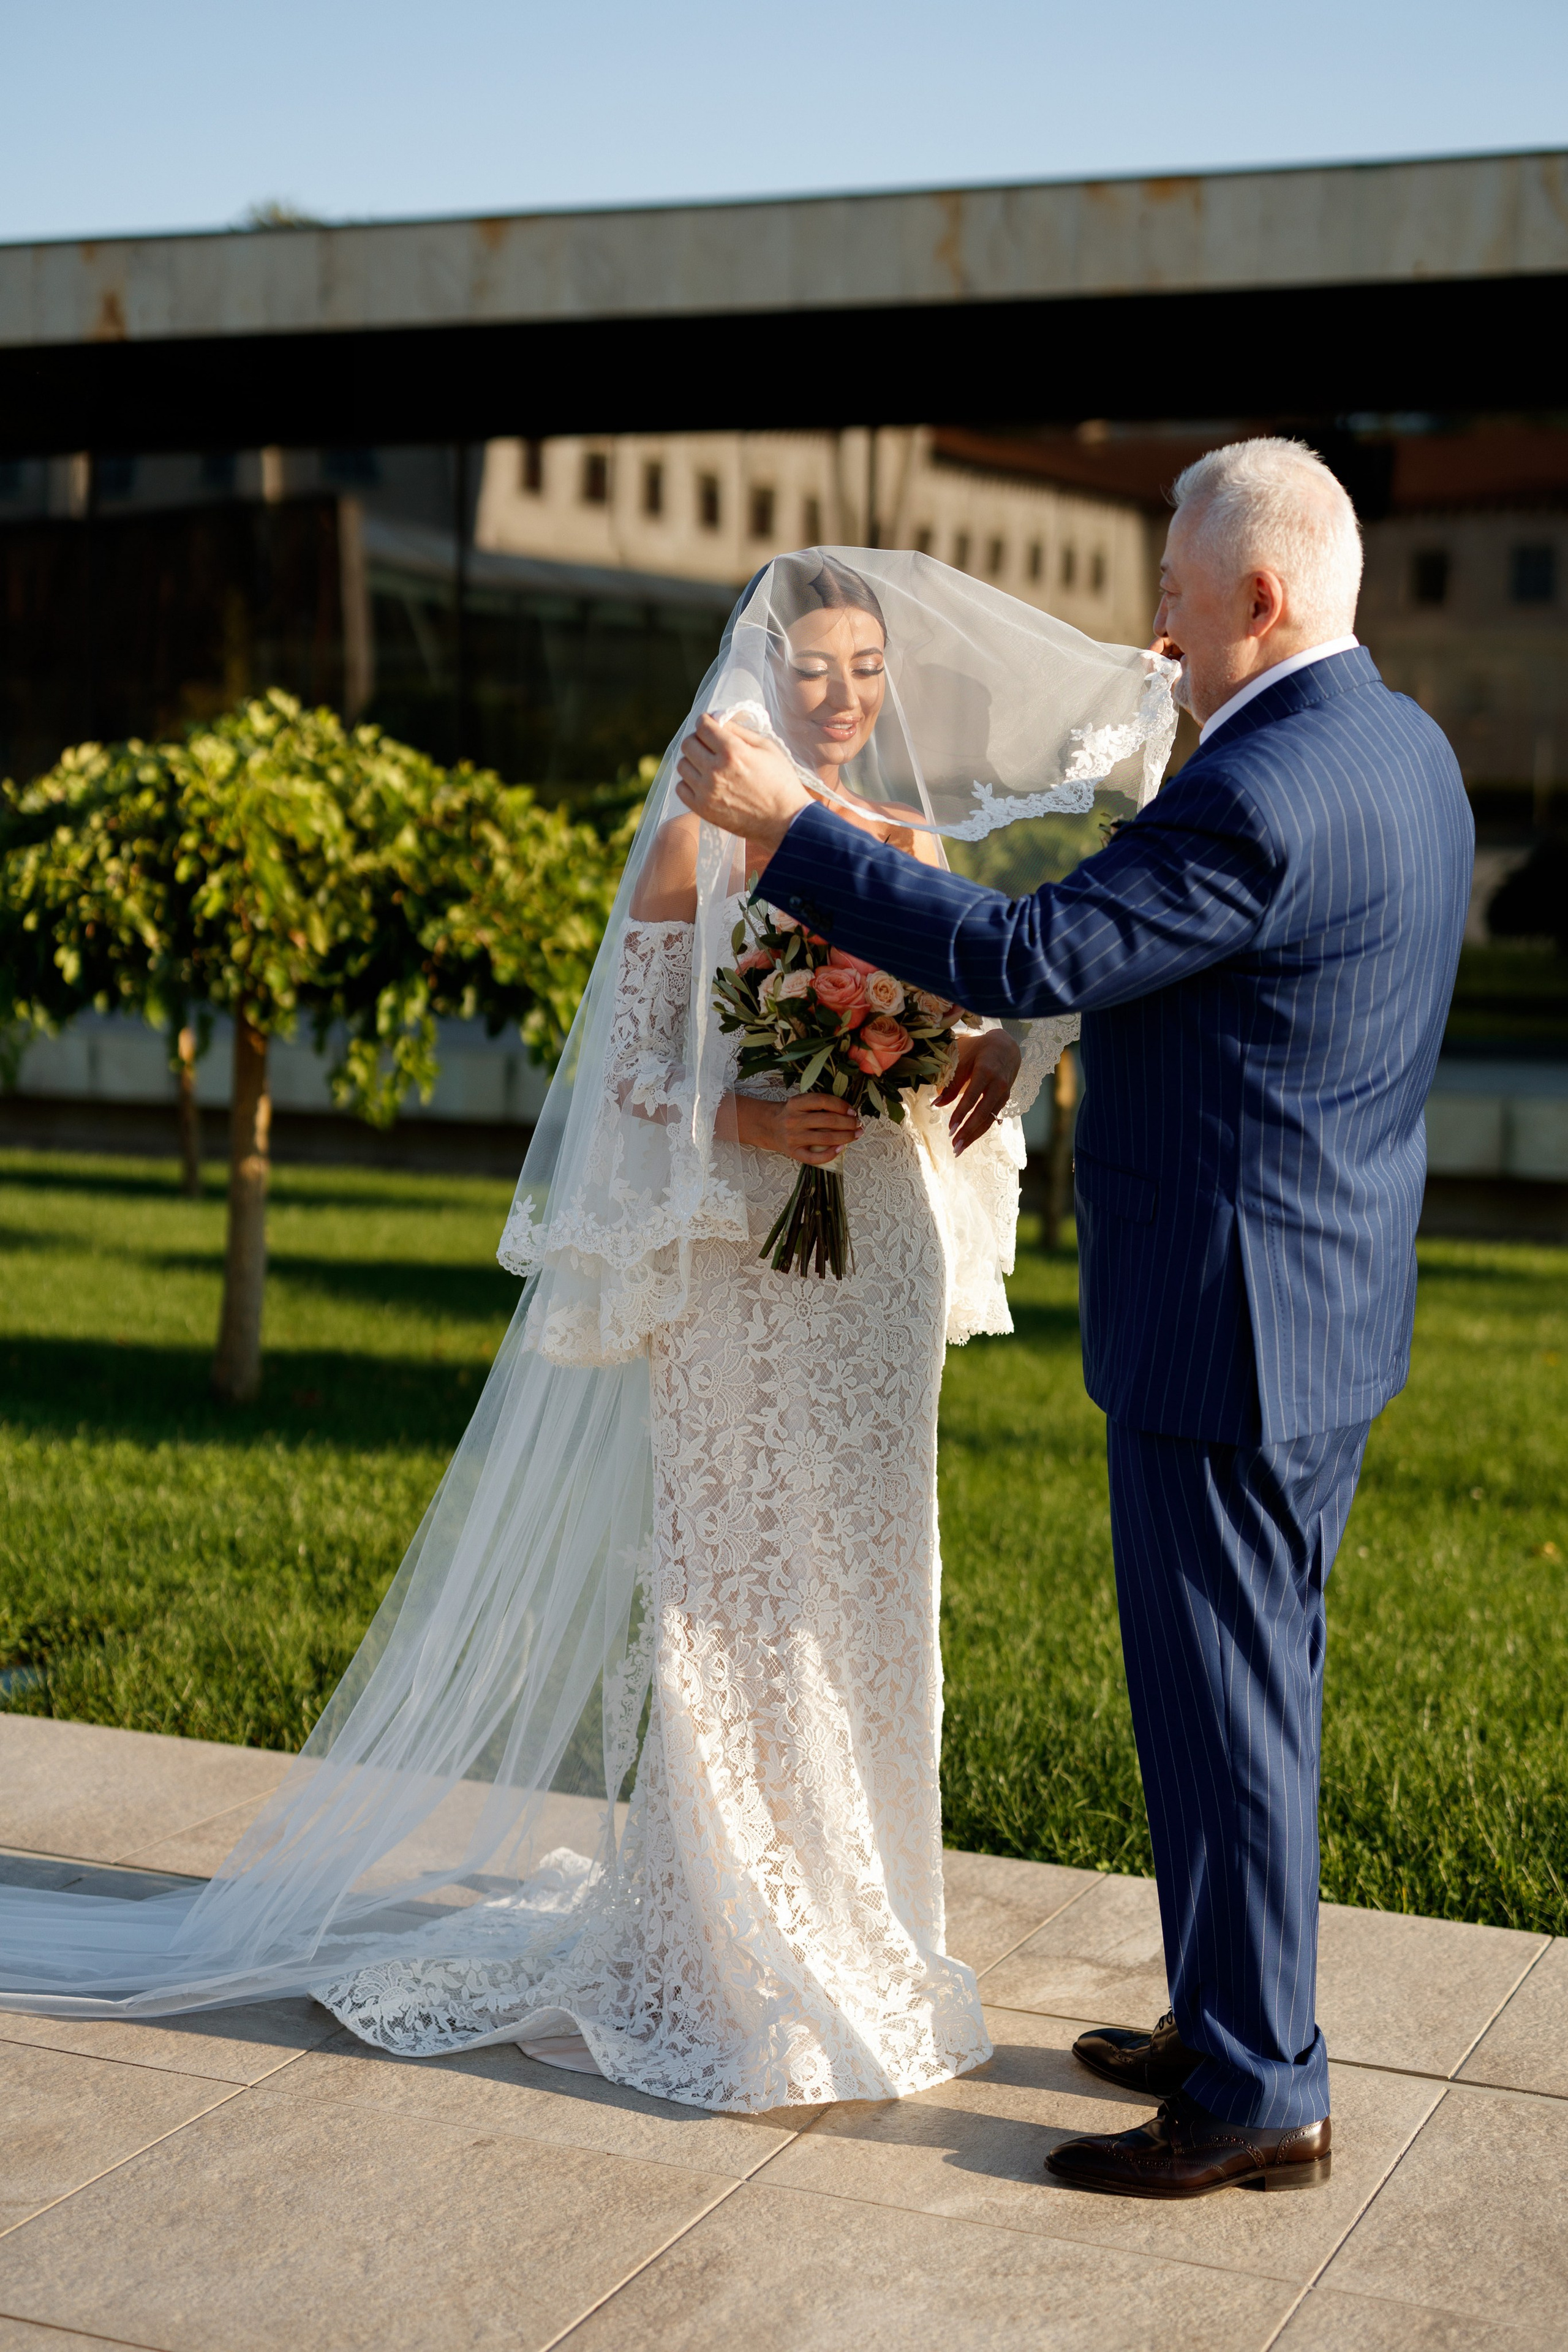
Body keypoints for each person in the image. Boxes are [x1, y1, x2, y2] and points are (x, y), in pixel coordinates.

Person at [0, 551, 1171, 2116]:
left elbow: (999, 986)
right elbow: (630, 1073)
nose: (840, 697)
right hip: (736, 1248)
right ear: (760, 676)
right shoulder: (695, 835)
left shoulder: (902, 838)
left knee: (867, 1578)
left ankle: (864, 1919)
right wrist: (755, 1112)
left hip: (875, 1246)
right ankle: (718, 1939)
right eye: (812, 668)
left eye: (866, 670)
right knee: (728, 1578)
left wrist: (989, 1044)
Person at [675, 440, 1474, 2187]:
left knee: (1226, 1705)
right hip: (1323, 1305)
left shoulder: (1258, 788)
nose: (1159, 634)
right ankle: (1231, 2015)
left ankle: (1257, 2096)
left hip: (1225, 1321)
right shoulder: (1403, 750)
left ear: (1258, 595)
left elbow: (1029, 951)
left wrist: (790, 830)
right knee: (1247, 1698)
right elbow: (1210, 979)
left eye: (1178, 600)